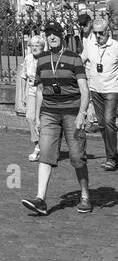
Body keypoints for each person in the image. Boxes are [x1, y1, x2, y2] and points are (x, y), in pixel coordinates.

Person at [22, 21, 92, 216]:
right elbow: (40, 90)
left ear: (62, 36)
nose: (52, 37)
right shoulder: (42, 59)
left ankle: (85, 195)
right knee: (45, 153)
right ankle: (40, 199)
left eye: (55, 33)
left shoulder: (74, 58)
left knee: (77, 157)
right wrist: (37, 117)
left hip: (72, 113)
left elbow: (84, 91)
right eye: (49, 34)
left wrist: (82, 114)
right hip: (49, 113)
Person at [81, 15, 118, 171]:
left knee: (109, 121)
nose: (98, 36)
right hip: (95, 90)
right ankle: (112, 154)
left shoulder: (115, 46)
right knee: (102, 124)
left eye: (101, 33)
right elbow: (80, 60)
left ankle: (112, 158)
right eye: (95, 33)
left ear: (107, 31)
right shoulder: (90, 45)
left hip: (112, 90)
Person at [18, 34, 45, 162]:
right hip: (31, 91)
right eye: (32, 45)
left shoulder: (45, 58)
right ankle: (37, 144)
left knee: (42, 119)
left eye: (37, 46)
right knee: (29, 117)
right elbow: (23, 76)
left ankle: (43, 146)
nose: (34, 48)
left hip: (44, 91)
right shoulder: (28, 58)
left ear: (42, 47)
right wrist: (23, 93)